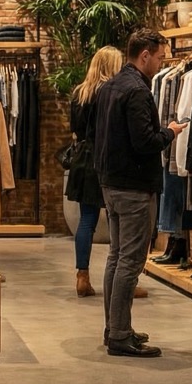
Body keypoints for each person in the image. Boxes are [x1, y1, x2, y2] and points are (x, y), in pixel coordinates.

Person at [93, 28, 186, 357]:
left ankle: (115, 327)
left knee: (116, 258)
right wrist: (170, 132)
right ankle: (119, 334)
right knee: (130, 261)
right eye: (160, 57)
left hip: (111, 183)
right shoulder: (137, 91)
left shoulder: (109, 86)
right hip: (132, 188)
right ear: (144, 55)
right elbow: (144, 142)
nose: (162, 64)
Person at [66, 46, 122, 298]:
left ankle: (82, 275)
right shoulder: (112, 94)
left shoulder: (80, 93)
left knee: (87, 220)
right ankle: (122, 280)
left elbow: (75, 129)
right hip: (107, 158)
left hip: (83, 159)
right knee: (116, 220)